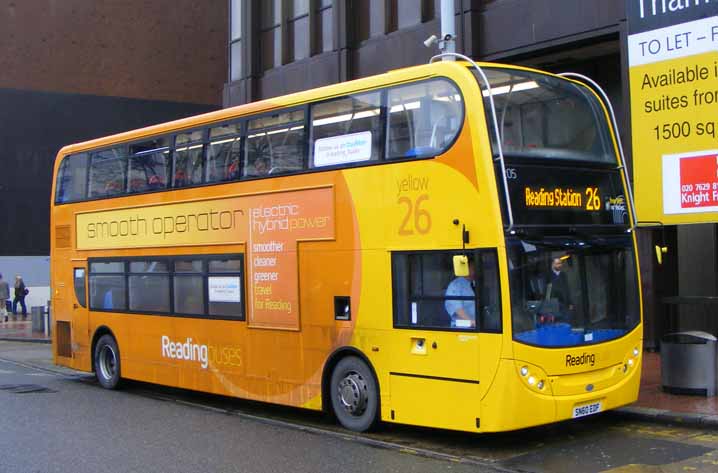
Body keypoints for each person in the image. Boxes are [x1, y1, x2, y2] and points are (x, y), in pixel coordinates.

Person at [444, 259, 477, 329]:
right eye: (473, 268)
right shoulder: (455, 285)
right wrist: (472, 322)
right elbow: (457, 309)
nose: (476, 270)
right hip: (462, 328)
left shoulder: (475, 284)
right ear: (467, 268)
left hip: (476, 327)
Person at [540, 257, 574, 324]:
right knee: (554, 323)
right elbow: (545, 291)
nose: (559, 265)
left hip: (564, 304)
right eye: (557, 263)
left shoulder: (563, 275)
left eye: (560, 263)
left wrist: (570, 303)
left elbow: (567, 289)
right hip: (553, 304)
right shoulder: (548, 275)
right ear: (553, 264)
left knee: (565, 322)